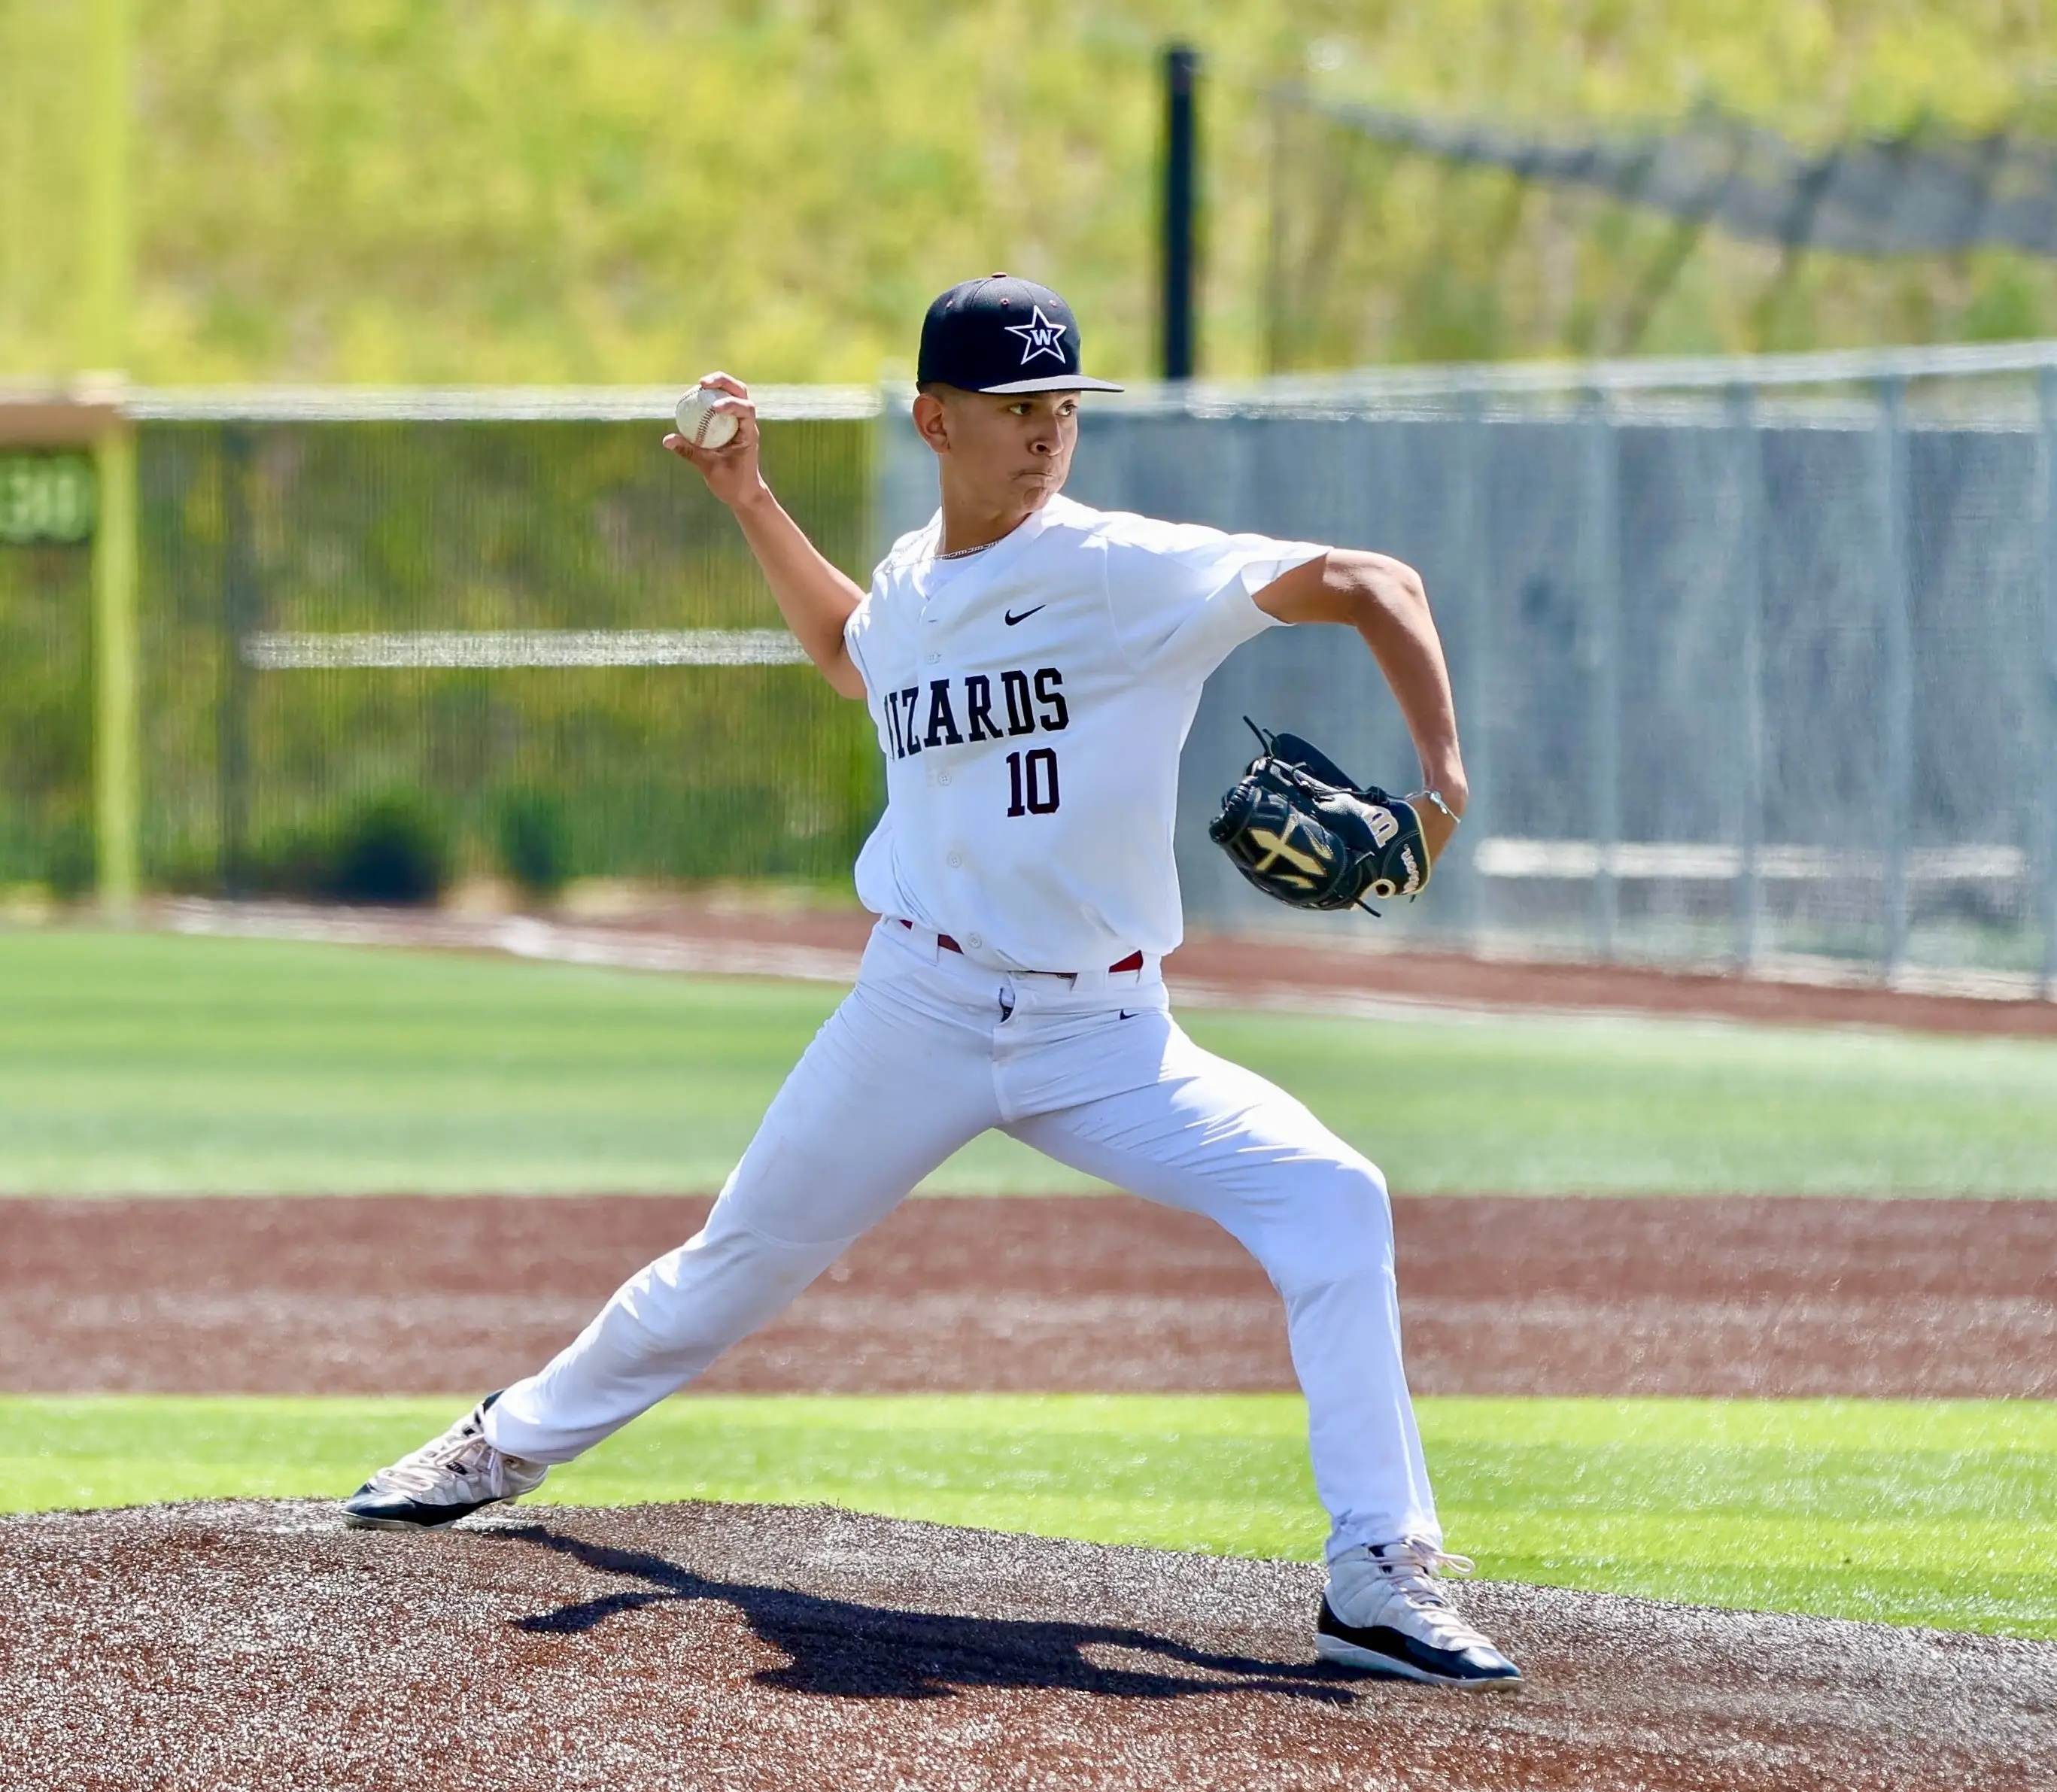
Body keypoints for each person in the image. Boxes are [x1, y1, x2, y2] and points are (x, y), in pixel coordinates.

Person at [341, 274, 1521, 1690]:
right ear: (934, 421)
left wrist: (1440, 788)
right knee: (733, 1263)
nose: (1046, 431)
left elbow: (1375, 583)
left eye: (1062, 404)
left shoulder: (1118, 568)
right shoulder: (912, 579)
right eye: (1014, 407)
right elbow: (850, 656)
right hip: (919, 1010)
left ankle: (1376, 1575)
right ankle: (503, 1442)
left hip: (1106, 1033)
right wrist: (748, 500)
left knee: (1333, 1198)